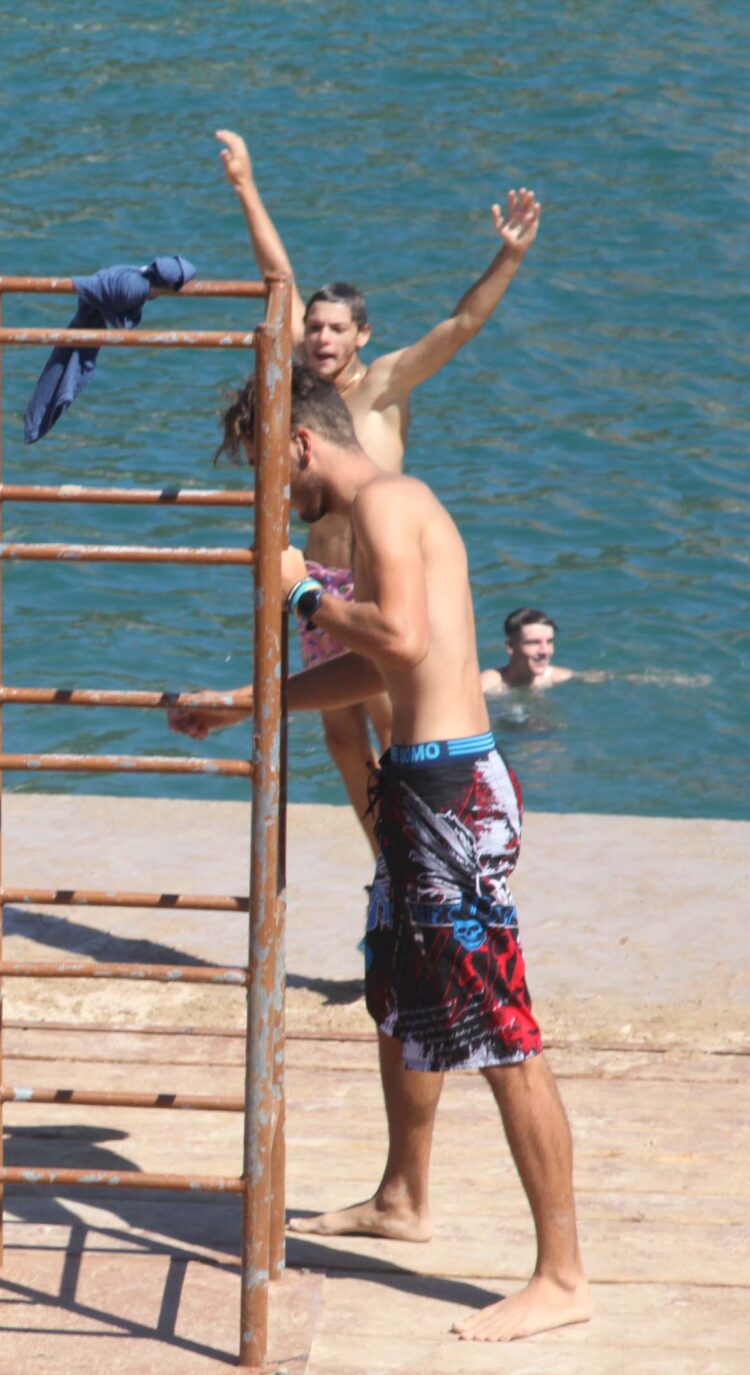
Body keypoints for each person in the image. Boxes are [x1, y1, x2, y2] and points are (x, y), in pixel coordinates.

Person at [169, 370, 590, 1342]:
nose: (277, 497)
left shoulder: (390, 504)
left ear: (303, 443)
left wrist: (303, 590)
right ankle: (403, 1197)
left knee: (500, 1035)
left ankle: (563, 1277)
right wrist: (250, 700)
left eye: (273, 470)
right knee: (400, 993)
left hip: (451, 795)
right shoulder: (380, 514)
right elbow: (385, 664)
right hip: (419, 791)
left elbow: (397, 638)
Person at [217, 130, 543, 850]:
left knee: (398, 722)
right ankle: (387, 856)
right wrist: (246, 186)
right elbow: (279, 274)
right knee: (340, 739)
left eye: (336, 328)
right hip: (316, 573)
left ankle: (416, 843)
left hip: (374, 578)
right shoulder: (304, 401)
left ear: (363, 333)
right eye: (314, 328)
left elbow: (461, 324)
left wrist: (510, 254)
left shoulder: (388, 383)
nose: (322, 339)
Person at [481, 607, 575, 694]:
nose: (545, 651)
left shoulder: (559, 677)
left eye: (549, 642)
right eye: (534, 643)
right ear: (510, 646)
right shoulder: (489, 684)